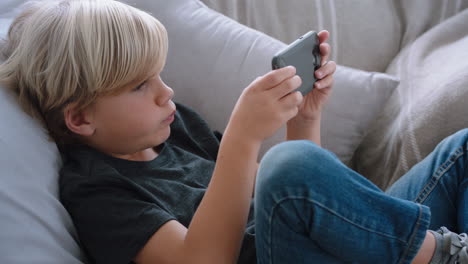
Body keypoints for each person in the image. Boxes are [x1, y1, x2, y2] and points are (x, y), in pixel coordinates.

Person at [0, 0, 466, 264]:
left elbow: (288, 201)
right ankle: (445, 256)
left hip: (332, 249)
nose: (167, 93)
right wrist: (243, 138)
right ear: (81, 119)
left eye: (160, 74)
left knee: (459, 151)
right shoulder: (98, 193)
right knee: (288, 166)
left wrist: (304, 116)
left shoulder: (175, 126)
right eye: (141, 85)